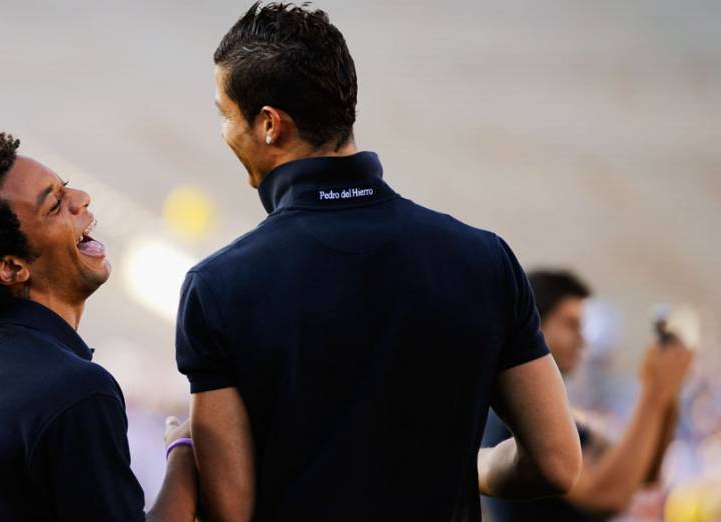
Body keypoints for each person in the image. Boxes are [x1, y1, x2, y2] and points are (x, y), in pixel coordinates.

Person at [173, 3, 582, 521]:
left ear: (270, 125)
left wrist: (179, 449)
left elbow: (232, 510)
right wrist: (462, 465)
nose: (224, 132)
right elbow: (558, 464)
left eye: (224, 114)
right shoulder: (483, 259)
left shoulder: (217, 286)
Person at [0, 132, 197, 521]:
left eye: (67, 187)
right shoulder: (74, 392)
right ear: (11, 268)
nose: (82, 200)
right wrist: (185, 454)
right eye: (56, 204)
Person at [482, 270, 693, 521]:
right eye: (571, 324)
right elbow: (606, 496)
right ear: (533, 326)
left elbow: (643, 473)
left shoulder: (559, 415)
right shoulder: (516, 411)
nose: (583, 339)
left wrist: (669, 389)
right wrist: (655, 392)